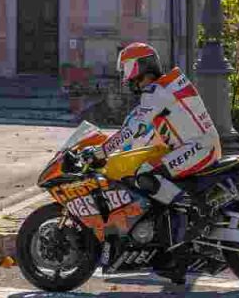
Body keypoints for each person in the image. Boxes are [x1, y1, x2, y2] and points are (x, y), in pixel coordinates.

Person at [82, 42, 221, 284]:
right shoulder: (161, 90)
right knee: (144, 169)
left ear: (140, 66)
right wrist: (116, 153)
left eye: (127, 68)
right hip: (195, 146)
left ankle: (181, 249)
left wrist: (102, 152)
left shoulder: (156, 93)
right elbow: (141, 133)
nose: (126, 76)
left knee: (147, 176)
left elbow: (133, 130)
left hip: (198, 149)